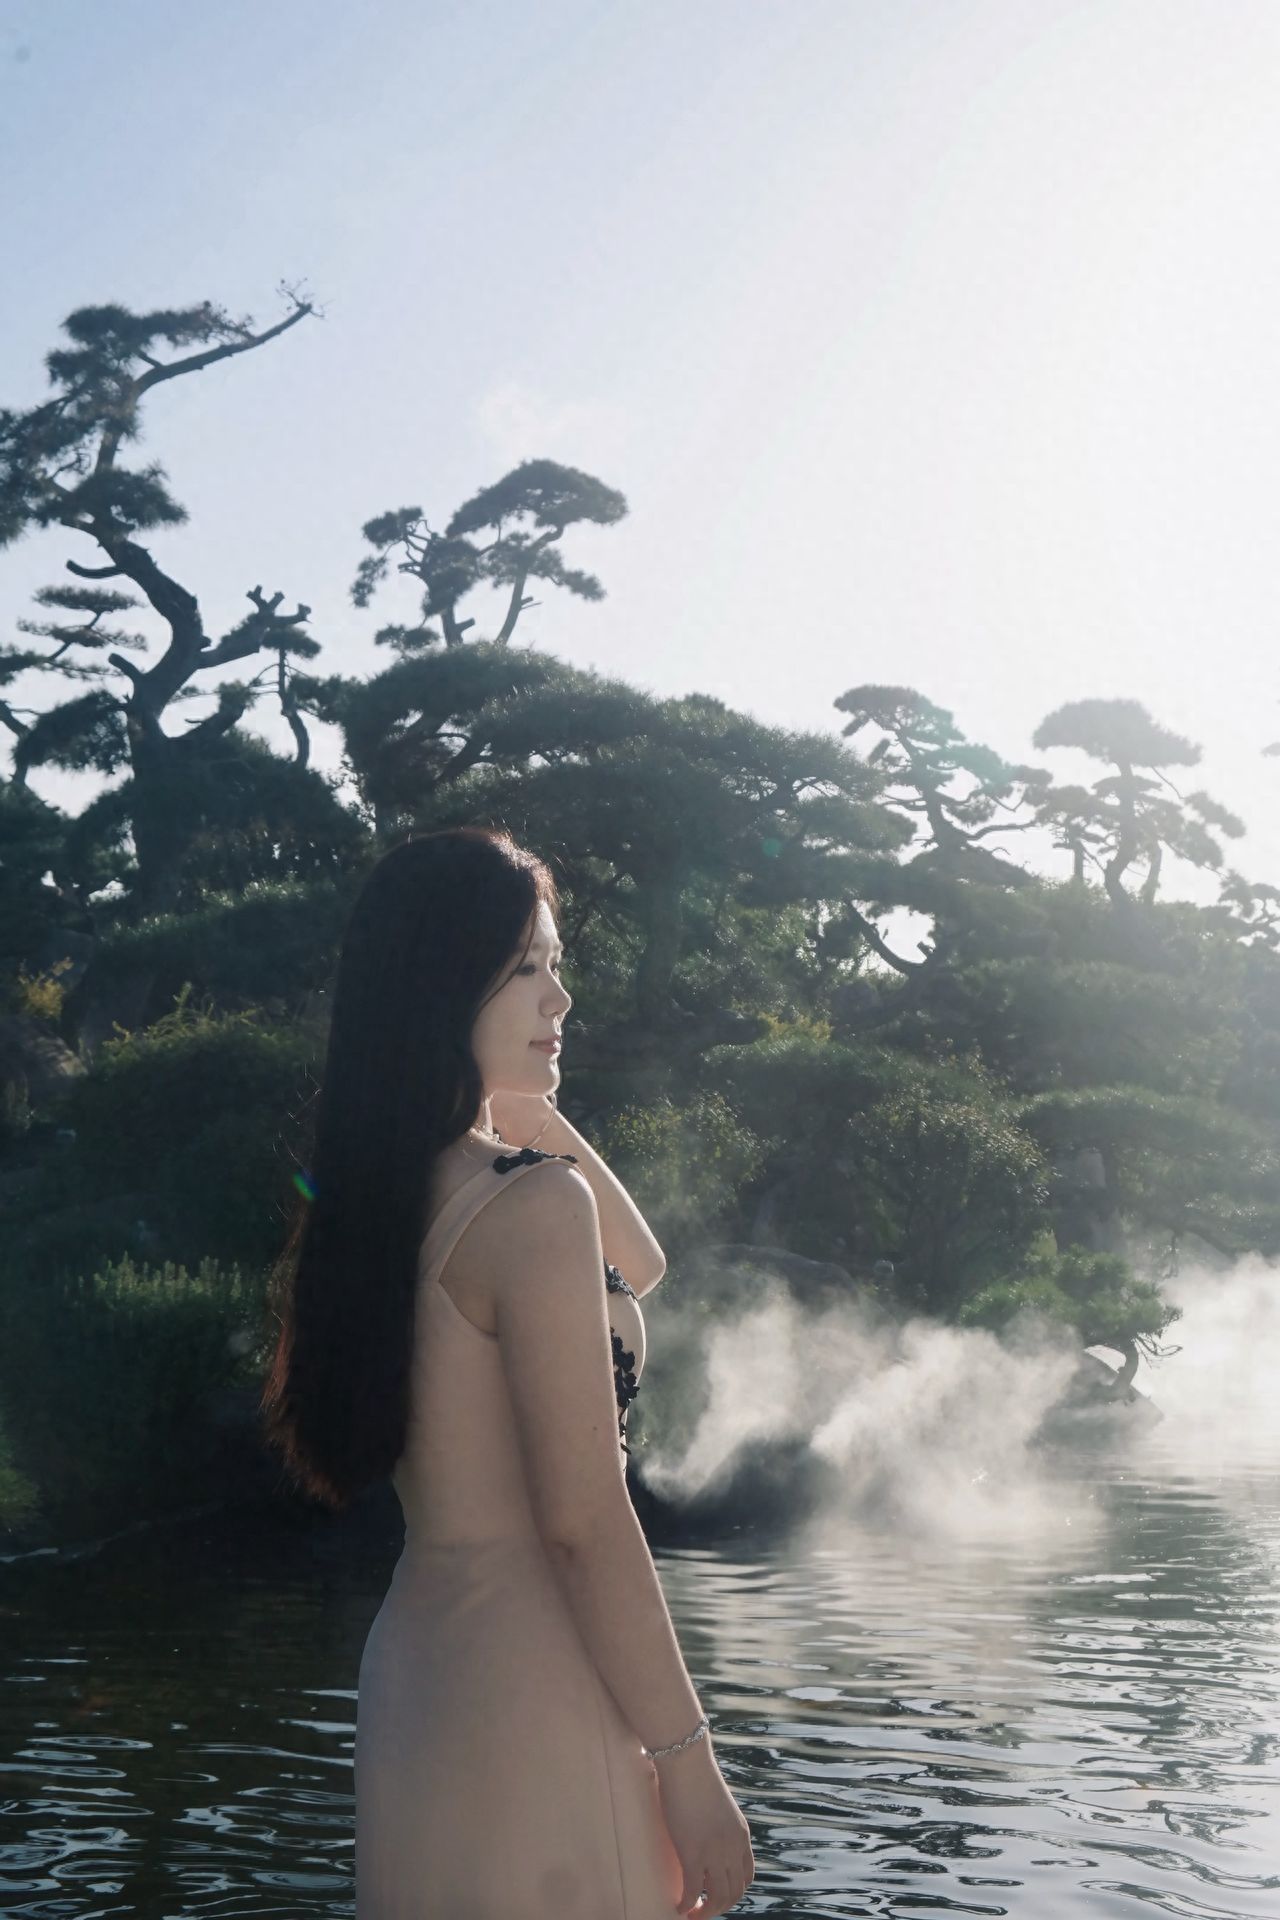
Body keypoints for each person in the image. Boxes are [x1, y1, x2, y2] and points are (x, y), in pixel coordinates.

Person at [261, 826, 755, 1919]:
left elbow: (641, 1266)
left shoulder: (379, 1196)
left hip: (421, 1679)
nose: (561, 999)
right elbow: (581, 1519)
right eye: (528, 967)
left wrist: (512, 1094)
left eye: (555, 964)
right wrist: (687, 1762)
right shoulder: (525, 1206)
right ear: (445, 984)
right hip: (543, 1681)